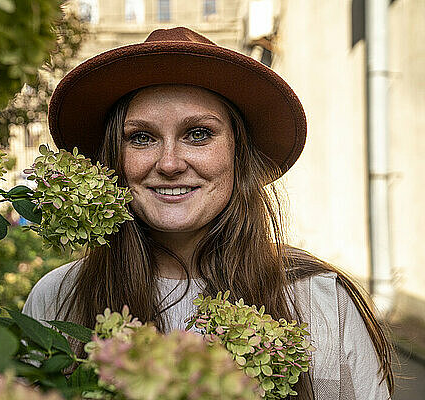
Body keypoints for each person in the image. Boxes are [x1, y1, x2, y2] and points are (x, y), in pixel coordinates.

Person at [23, 27, 394, 399]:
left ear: (238, 153)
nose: (168, 163)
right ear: (113, 161)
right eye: (141, 137)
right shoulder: (58, 297)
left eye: (198, 134)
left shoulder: (321, 300)